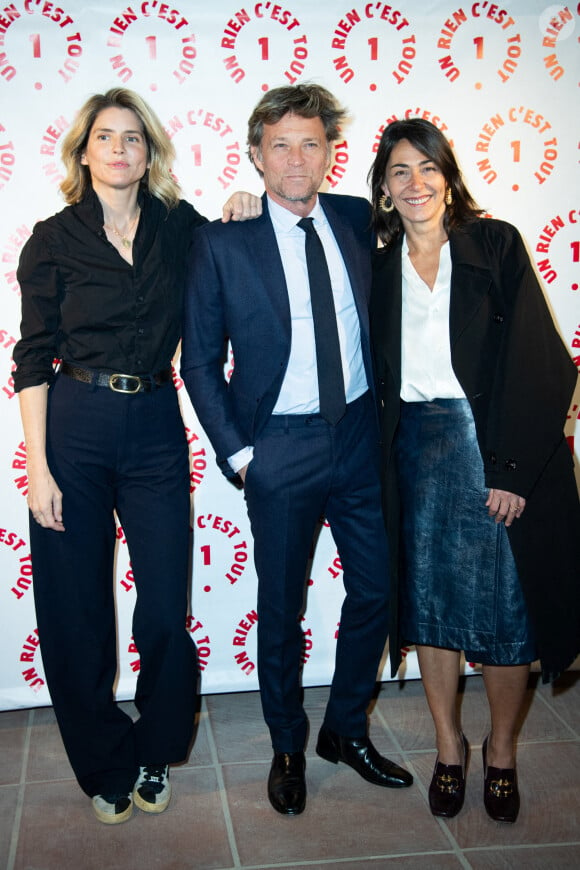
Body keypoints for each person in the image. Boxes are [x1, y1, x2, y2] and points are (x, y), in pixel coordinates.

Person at [13, 87, 259, 825]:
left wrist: (245, 206)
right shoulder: (52, 238)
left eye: (133, 139)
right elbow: (30, 360)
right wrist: (40, 467)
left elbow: (229, 255)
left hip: (154, 419)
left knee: (161, 602)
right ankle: (104, 764)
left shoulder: (178, 227)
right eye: (106, 137)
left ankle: (156, 748)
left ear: (149, 153)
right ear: (83, 151)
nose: (120, 149)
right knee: (74, 607)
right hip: (75, 424)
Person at [181, 83, 413, 815]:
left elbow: (427, 221)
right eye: (279, 144)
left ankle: (345, 729)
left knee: (377, 589)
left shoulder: (352, 217)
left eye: (309, 143)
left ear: (328, 153)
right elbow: (198, 364)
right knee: (281, 607)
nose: (295, 157)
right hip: (278, 448)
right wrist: (244, 457)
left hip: (357, 440)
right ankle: (287, 742)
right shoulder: (222, 241)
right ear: (255, 154)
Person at [368, 117, 580, 823]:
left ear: (449, 177)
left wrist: (514, 469)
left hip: (490, 451)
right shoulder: (377, 263)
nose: (415, 182)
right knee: (429, 614)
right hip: (414, 458)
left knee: (506, 619)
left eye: (427, 167)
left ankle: (503, 754)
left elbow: (540, 360)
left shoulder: (495, 245)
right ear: (384, 189)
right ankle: (449, 747)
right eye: (400, 171)